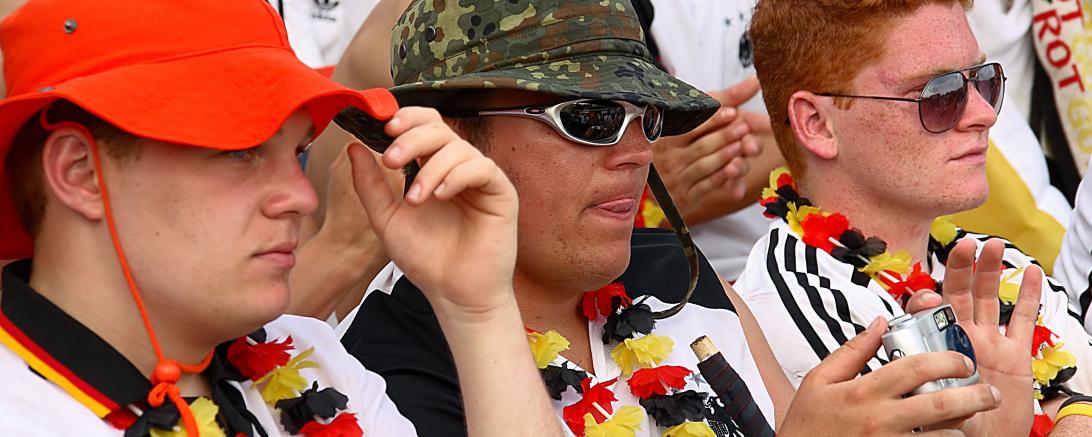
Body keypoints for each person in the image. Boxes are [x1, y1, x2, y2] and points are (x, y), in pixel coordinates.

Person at [336, 0, 1045, 436]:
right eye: (589, 117)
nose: (637, 150)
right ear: (449, 139)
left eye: (647, 117)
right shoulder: (384, 361)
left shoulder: (678, 274)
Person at [0, 0, 562, 436]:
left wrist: (478, 311)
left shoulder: (317, 359)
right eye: (239, 149)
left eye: (297, 150)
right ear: (80, 173)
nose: (302, 197)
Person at [733, 0, 1092, 434]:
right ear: (817, 124)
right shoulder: (794, 301)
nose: (983, 114)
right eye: (938, 94)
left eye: (984, 80)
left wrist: (1070, 410)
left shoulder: (996, 260)